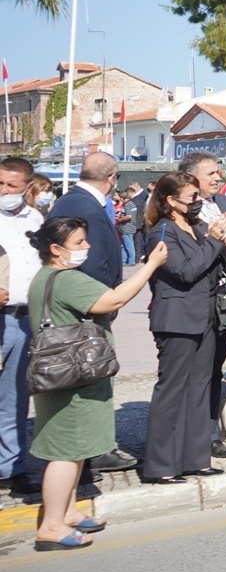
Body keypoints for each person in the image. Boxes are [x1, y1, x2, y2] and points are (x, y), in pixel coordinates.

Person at [26, 217, 167, 550]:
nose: (86, 247)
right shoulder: (66, 279)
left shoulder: (46, 277)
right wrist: (150, 266)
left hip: (67, 375)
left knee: (74, 450)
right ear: (56, 250)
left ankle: (67, 512)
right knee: (65, 453)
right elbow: (113, 301)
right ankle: (51, 526)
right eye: (78, 243)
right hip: (73, 379)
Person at [141, 171, 226, 484]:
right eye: (192, 197)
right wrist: (213, 239)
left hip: (206, 317)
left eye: (198, 195)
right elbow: (185, 271)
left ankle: (196, 458)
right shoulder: (162, 232)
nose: (198, 201)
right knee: (172, 390)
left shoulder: (196, 227)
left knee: (199, 387)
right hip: (177, 320)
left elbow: (217, 266)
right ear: (171, 201)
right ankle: (162, 464)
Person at [46, 152, 137, 474]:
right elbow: (92, 260)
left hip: (87, 304)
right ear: (112, 178)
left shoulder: (78, 200)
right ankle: (91, 452)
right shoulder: (84, 206)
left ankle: (89, 451)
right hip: (85, 310)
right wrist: (103, 299)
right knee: (90, 379)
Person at [180, 150, 226, 460]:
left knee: (214, 367)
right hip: (197, 297)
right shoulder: (184, 209)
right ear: (192, 176)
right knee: (191, 370)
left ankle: (210, 430)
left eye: (218, 172)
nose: (218, 177)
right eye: (210, 173)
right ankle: (187, 432)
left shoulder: (225, 203)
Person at [0, 157, 44, 494]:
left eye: (11, 186)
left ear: (28, 187)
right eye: (0, 184)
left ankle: (9, 467)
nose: (4, 191)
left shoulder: (36, 218)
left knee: (15, 397)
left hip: (24, 318)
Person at [116, 191, 138, 266]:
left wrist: (120, 220)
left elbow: (129, 216)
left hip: (128, 227)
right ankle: (123, 261)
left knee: (129, 245)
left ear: (122, 199)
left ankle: (131, 261)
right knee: (124, 245)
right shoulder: (131, 204)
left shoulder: (128, 205)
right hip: (127, 227)